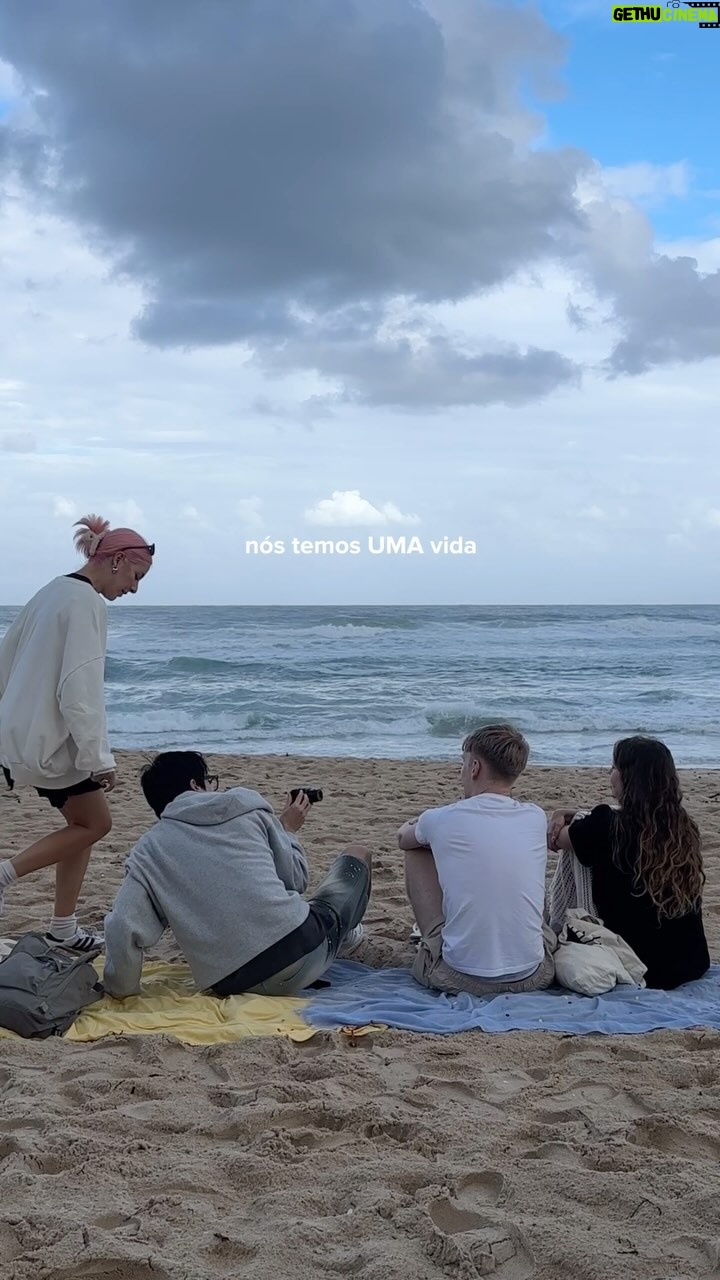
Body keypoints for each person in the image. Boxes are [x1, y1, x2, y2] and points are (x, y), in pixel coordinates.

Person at [0, 513, 155, 950]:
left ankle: (64, 929)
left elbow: (5, 659)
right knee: (96, 823)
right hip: (52, 742)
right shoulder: (86, 603)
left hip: (22, 734)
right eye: (136, 576)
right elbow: (80, 691)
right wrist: (99, 759)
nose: (134, 589)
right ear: (117, 560)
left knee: (82, 824)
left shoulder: (51, 591)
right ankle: (5, 875)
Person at [103, 751, 372, 999]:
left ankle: (340, 936)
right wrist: (288, 830)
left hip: (230, 982)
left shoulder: (147, 851)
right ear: (195, 784)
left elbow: (124, 925)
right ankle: (348, 936)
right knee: (358, 854)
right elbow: (296, 879)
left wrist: (121, 990)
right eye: (210, 781)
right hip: (300, 952)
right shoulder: (247, 809)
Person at [398, 724, 555, 996]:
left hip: (460, 977)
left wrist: (423, 824)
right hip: (534, 975)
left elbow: (403, 838)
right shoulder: (536, 816)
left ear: (474, 767)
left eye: (464, 763)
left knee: (416, 849)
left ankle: (433, 938)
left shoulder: (442, 818)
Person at [547, 736, 710, 990]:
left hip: (639, 965)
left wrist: (562, 815)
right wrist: (572, 813)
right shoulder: (682, 828)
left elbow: (560, 839)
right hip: (690, 963)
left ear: (629, 778)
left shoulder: (606, 826)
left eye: (614, 767)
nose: (610, 774)